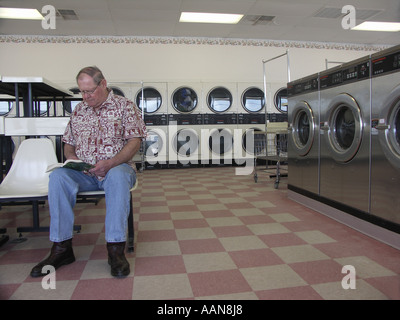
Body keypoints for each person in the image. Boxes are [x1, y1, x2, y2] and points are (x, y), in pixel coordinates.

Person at [30, 66, 147, 278]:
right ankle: (62, 248)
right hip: (84, 172)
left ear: (103, 83)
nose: (86, 96)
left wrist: (110, 163)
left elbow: (134, 142)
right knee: (57, 177)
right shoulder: (79, 110)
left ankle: (115, 250)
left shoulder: (125, 107)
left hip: (117, 169)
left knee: (119, 176)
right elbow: (69, 143)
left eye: (90, 91)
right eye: (82, 92)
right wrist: (72, 158)